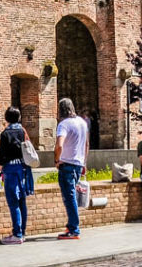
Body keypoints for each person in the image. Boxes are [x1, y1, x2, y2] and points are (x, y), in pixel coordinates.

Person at [0, 106, 35, 244]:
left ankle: (17, 235)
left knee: (13, 202)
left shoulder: (5, 134)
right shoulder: (22, 131)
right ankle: (22, 232)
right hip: (23, 168)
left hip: (11, 169)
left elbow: (1, 157)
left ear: (6, 118)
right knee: (22, 201)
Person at [55, 97, 89, 240]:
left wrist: (57, 159)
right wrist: (84, 163)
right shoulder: (82, 122)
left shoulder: (64, 124)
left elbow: (59, 145)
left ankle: (74, 229)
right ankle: (71, 225)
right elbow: (87, 144)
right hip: (78, 164)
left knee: (69, 198)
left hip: (66, 164)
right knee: (72, 196)